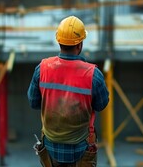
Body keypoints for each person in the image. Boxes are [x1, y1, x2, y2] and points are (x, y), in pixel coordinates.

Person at [27, 16, 109, 167]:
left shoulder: (43, 68)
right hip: (81, 149)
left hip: (50, 148)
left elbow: (33, 102)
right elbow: (101, 104)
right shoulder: (93, 75)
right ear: (80, 44)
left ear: (59, 41)